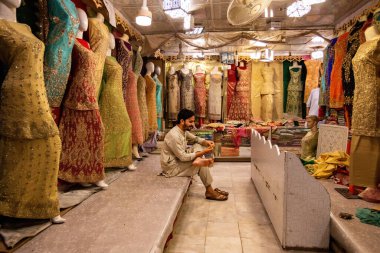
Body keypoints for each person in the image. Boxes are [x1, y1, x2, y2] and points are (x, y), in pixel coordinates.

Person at [160, 109, 228, 201]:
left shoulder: (182, 130)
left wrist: (206, 142)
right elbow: (183, 157)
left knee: (198, 145)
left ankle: (199, 160)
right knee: (201, 164)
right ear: (182, 121)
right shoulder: (174, 135)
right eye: (190, 121)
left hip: (178, 160)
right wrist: (202, 153)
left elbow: (196, 139)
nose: (193, 124)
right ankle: (209, 191)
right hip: (172, 167)